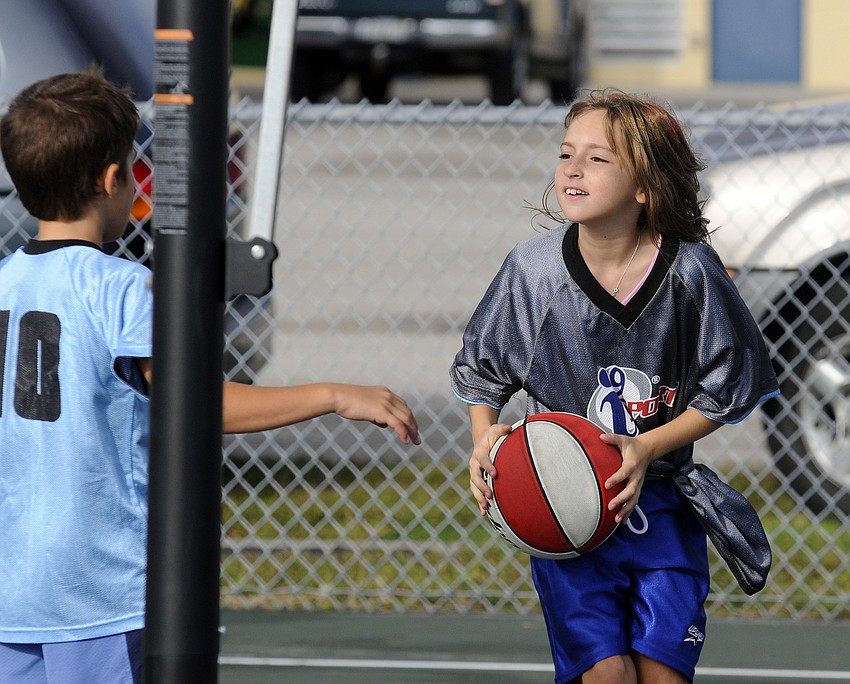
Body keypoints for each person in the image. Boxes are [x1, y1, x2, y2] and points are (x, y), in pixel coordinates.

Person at [0, 70, 419, 683]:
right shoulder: (118, 290)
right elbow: (196, 404)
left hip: (13, 593)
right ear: (114, 179)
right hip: (101, 594)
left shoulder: (5, 285)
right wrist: (331, 395)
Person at [450, 90, 779, 684]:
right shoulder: (533, 271)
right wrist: (484, 439)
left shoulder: (690, 272)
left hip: (662, 507)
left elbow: (729, 386)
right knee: (607, 676)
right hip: (567, 514)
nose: (574, 169)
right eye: (566, 154)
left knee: (663, 675)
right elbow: (483, 371)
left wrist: (649, 446)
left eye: (598, 159)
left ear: (645, 187)